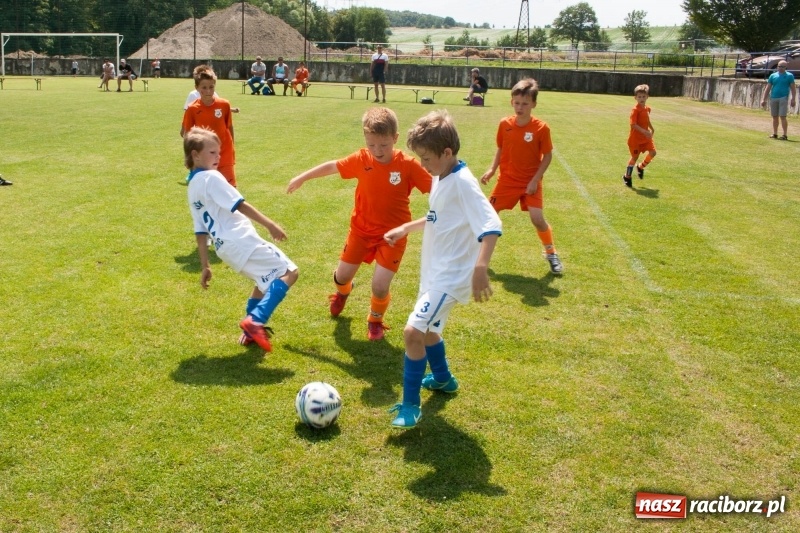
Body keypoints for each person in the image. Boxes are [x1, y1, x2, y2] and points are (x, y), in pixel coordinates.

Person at [384, 110, 502, 429]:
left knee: (413, 332)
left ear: (447, 152)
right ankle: (444, 380)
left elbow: (491, 225)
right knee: (431, 331)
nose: (423, 165)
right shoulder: (442, 176)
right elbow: (439, 217)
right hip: (435, 271)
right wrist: (407, 227)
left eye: (426, 158)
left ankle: (410, 406)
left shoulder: (463, 183)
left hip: (451, 276)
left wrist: (481, 268)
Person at [287, 107, 432, 341]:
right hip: (361, 231)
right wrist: (302, 177)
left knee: (380, 286)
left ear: (395, 138)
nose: (377, 151)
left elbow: (436, 188)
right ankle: (343, 293)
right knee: (342, 277)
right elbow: (333, 166)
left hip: (392, 236)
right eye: (372, 144)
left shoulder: (408, 165)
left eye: (384, 145)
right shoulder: (361, 158)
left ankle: (375, 321)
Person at [183, 127, 298, 352]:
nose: (218, 157)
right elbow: (240, 205)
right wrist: (270, 224)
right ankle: (255, 321)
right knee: (289, 272)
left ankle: (250, 332)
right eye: (212, 153)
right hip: (241, 240)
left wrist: (205, 264)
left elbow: (200, 230)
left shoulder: (192, 186)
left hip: (224, 249)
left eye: (219, 152)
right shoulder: (211, 178)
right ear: (195, 155)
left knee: (263, 280)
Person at [480, 78, 563, 275]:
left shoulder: (541, 128)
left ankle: (551, 253)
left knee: (537, 219)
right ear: (511, 102)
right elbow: (501, 148)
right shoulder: (504, 124)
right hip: (507, 180)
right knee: (489, 215)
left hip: (530, 182)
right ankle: (479, 257)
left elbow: (548, 156)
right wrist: (492, 169)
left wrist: (535, 180)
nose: (520, 107)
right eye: (517, 103)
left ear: (534, 104)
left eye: (525, 103)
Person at [181, 66, 238, 187]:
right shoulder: (192, 109)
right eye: (204, 88)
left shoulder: (224, 105)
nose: (208, 91)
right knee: (207, 192)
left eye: (211, 87)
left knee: (230, 191)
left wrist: (232, 149)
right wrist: (188, 157)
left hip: (224, 154)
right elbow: (187, 135)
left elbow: (229, 128)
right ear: (196, 88)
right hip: (204, 157)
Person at [622, 83, 657, 187]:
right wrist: (645, 131)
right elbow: (633, 125)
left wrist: (651, 128)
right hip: (635, 139)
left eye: (643, 96)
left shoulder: (647, 108)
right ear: (635, 98)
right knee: (634, 157)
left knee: (653, 152)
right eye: (639, 97)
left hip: (645, 138)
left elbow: (646, 120)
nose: (642, 99)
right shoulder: (635, 110)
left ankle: (641, 167)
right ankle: (627, 176)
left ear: (647, 97)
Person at [761, 60, 796, 140]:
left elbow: (793, 88)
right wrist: (764, 99)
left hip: (783, 97)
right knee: (774, 116)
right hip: (773, 97)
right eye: (779, 66)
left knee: (783, 116)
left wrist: (793, 98)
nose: (780, 68)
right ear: (777, 67)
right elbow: (768, 87)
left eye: (782, 66)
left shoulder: (789, 76)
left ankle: (784, 134)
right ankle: (775, 133)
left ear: (785, 67)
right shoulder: (773, 76)